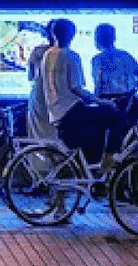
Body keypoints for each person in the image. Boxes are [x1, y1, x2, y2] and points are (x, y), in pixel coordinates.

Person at [42, 18, 128, 171]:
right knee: (116, 116)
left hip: (55, 113)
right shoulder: (71, 56)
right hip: (71, 111)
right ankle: (108, 159)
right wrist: (104, 102)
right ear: (72, 34)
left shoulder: (47, 55)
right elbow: (77, 89)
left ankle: (94, 164)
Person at [91, 23, 138, 98]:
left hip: (106, 101)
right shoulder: (126, 55)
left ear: (97, 39)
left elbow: (98, 86)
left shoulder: (97, 59)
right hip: (127, 100)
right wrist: (131, 92)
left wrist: (94, 99)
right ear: (114, 38)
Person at [26, 20, 59, 140]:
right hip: (56, 97)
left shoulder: (37, 51)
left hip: (38, 96)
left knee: (36, 138)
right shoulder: (64, 53)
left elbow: (30, 77)